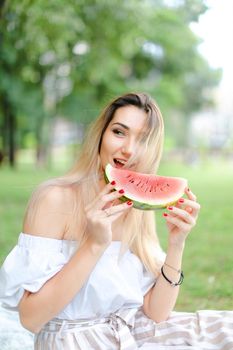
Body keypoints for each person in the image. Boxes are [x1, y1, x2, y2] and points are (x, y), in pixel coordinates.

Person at [0, 92, 232, 350]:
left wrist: (177, 243)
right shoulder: (54, 199)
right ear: (101, 135)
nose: (129, 149)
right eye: (119, 132)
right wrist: (94, 245)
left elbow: (157, 313)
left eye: (142, 139)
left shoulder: (137, 209)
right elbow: (30, 318)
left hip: (134, 331)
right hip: (72, 340)